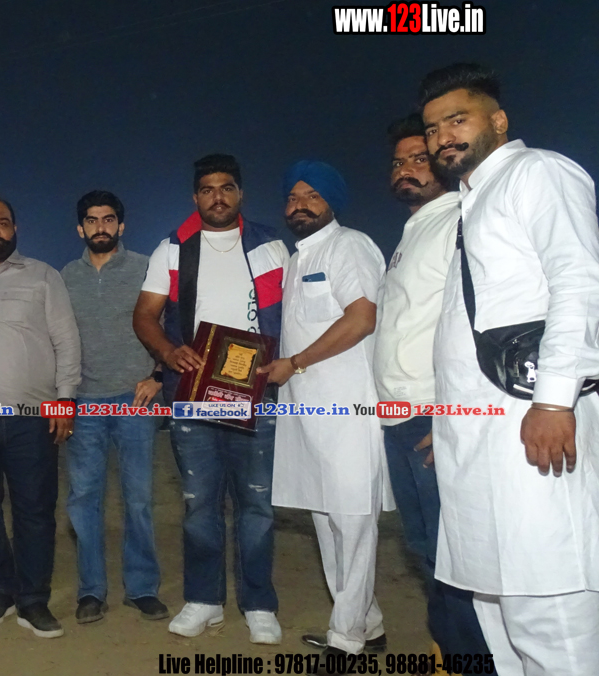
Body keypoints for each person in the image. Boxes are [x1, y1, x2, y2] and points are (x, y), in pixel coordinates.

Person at [421, 63, 599, 674]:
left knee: (549, 611)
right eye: (432, 128)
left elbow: (580, 282)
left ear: (498, 120)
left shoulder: (537, 172)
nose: (443, 137)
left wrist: (554, 400)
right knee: (498, 611)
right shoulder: (472, 204)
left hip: (532, 428)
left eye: (457, 120)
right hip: (481, 440)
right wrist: (449, 423)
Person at [132, 154, 288, 643]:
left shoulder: (271, 246)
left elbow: (297, 314)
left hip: (257, 395)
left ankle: (259, 604)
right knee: (199, 503)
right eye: (207, 189)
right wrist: (167, 352)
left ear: (240, 194)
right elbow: (144, 315)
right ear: (195, 197)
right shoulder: (173, 249)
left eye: (226, 188)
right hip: (194, 396)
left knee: (256, 504)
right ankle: (204, 600)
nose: (217, 197)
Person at [257, 160, 391, 663]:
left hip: (348, 411)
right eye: (293, 197)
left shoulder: (349, 245)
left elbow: (362, 318)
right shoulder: (298, 259)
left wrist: (295, 362)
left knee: (352, 523)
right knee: (326, 521)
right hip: (305, 413)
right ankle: (365, 623)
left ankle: (346, 640)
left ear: (332, 201)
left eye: (312, 195)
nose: (300, 205)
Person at [373, 113, 487, 664]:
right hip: (399, 419)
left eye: (419, 159)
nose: (406, 170)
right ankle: (450, 653)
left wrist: (451, 416)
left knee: (458, 556)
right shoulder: (413, 233)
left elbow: (473, 325)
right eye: (398, 162)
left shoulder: (461, 223)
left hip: (432, 418)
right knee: (427, 549)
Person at [0, 195, 81, 638]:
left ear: (14, 228)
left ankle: (33, 599)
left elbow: (66, 340)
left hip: (32, 418)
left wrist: (65, 400)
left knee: (35, 511)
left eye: (2, 222)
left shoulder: (44, 276)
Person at [60, 190, 166, 625]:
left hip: (135, 399)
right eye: (92, 220)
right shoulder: (65, 277)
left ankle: (142, 589)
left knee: (138, 498)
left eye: (108, 219)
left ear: (121, 226)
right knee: (84, 499)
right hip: (84, 401)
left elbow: (168, 325)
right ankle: (91, 591)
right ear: (80, 228)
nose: (100, 227)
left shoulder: (146, 268)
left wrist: (158, 375)